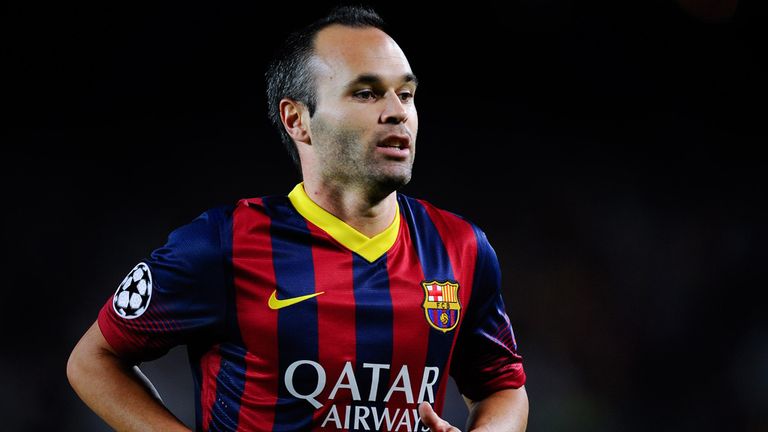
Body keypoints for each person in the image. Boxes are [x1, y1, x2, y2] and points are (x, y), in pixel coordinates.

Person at [67, 5, 528, 431]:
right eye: (366, 93)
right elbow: (94, 360)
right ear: (297, 120)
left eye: (405, 94)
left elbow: (502, 385)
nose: (397, 113)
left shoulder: (461, 247)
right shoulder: (222, 244)